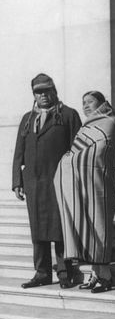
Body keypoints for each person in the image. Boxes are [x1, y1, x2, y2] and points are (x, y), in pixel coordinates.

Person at [13, 73, 82, 289]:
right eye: (38, 92)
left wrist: (74, 179)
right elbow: (19, 152)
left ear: (54, 91)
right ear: (34, 94)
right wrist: (17, 180)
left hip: (58, 180)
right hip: (34, 182)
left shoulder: (68, 115)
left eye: (46, 90)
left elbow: (77, 150)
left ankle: (65, 271)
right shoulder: (27, 119)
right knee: (38, 229)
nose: (43, 95)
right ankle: (42, 272)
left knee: (59, 228)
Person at [54, 91, 115, 294]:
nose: (86, 106)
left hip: (100, 182)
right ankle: (95, 273)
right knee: (89, 226)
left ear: (101, 103)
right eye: (84, 103)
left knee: (100, 226)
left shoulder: (109, 121)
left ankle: (106, 275)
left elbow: (100, 149)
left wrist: (70, 160)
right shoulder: (86, 125)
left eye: (90, 102)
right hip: (84, 182)